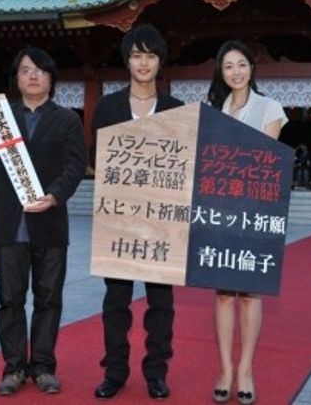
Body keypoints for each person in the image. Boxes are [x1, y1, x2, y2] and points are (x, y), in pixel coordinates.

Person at [0, 47, 86, 396]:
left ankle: (45, 367)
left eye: (39, 70)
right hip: (10, 227)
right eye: (24, 70)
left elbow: (75, 165)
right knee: (10, 300)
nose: (32, 75)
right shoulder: (1, 118)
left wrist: (54, 195)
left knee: (49, 300)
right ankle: (14, 367)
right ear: (16, 79)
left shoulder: (67, 119)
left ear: (51, 78)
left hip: (50, 226)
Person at [91, 23, 183, 400]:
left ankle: (156, 374)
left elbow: (184, 165)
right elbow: (98, 159)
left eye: (150, 55)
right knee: (116, 303)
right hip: (118, 220)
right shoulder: (109, 106)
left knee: (161, 305)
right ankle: (114, 372)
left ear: (160, 63)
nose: (143, 63)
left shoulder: (177, 110)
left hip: (162, 223)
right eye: (136, 55)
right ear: (127, 61)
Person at [207, 40, 288, 405]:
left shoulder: (270, 108)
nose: (236, 72)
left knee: (249, 295)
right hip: (221, 212)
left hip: (255, 212)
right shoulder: (216, 111)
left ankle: (246, 370)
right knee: (223, 295)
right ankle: (224, 368)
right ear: (221, 73)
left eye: (241, 64)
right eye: (228, 66)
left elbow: (263, 162)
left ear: (252, 68)